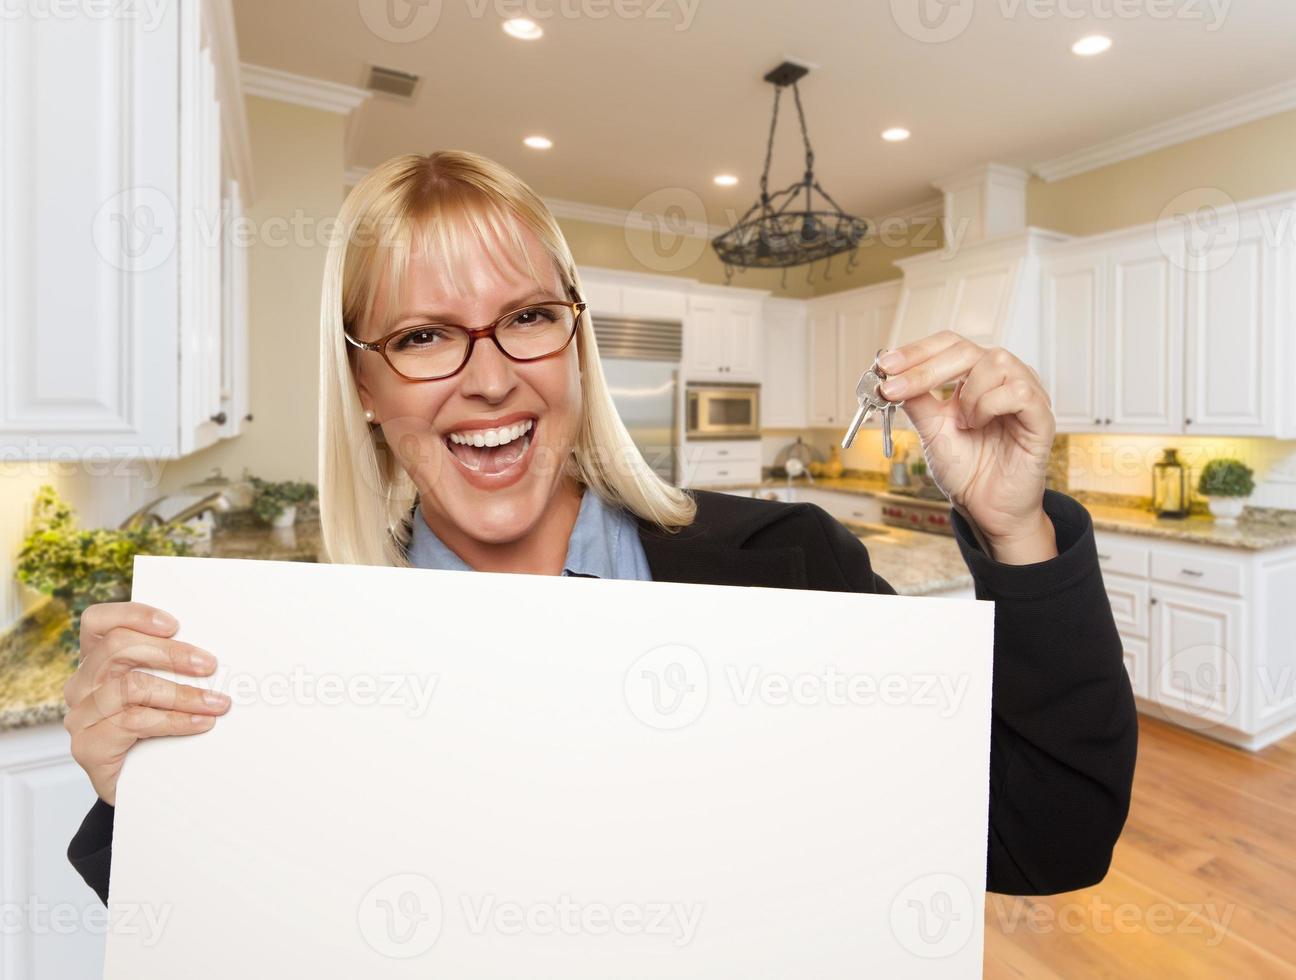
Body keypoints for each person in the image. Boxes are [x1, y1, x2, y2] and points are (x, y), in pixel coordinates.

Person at [65, 151, 1137, 905]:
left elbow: (1048, 836)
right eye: (424, 333)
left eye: (528, 316)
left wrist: (1014, 528)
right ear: (363, 385)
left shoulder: (792, 565)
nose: (490, 378)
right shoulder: (279, 654)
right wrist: (146, 793)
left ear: (574, 341)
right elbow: (238, 925)